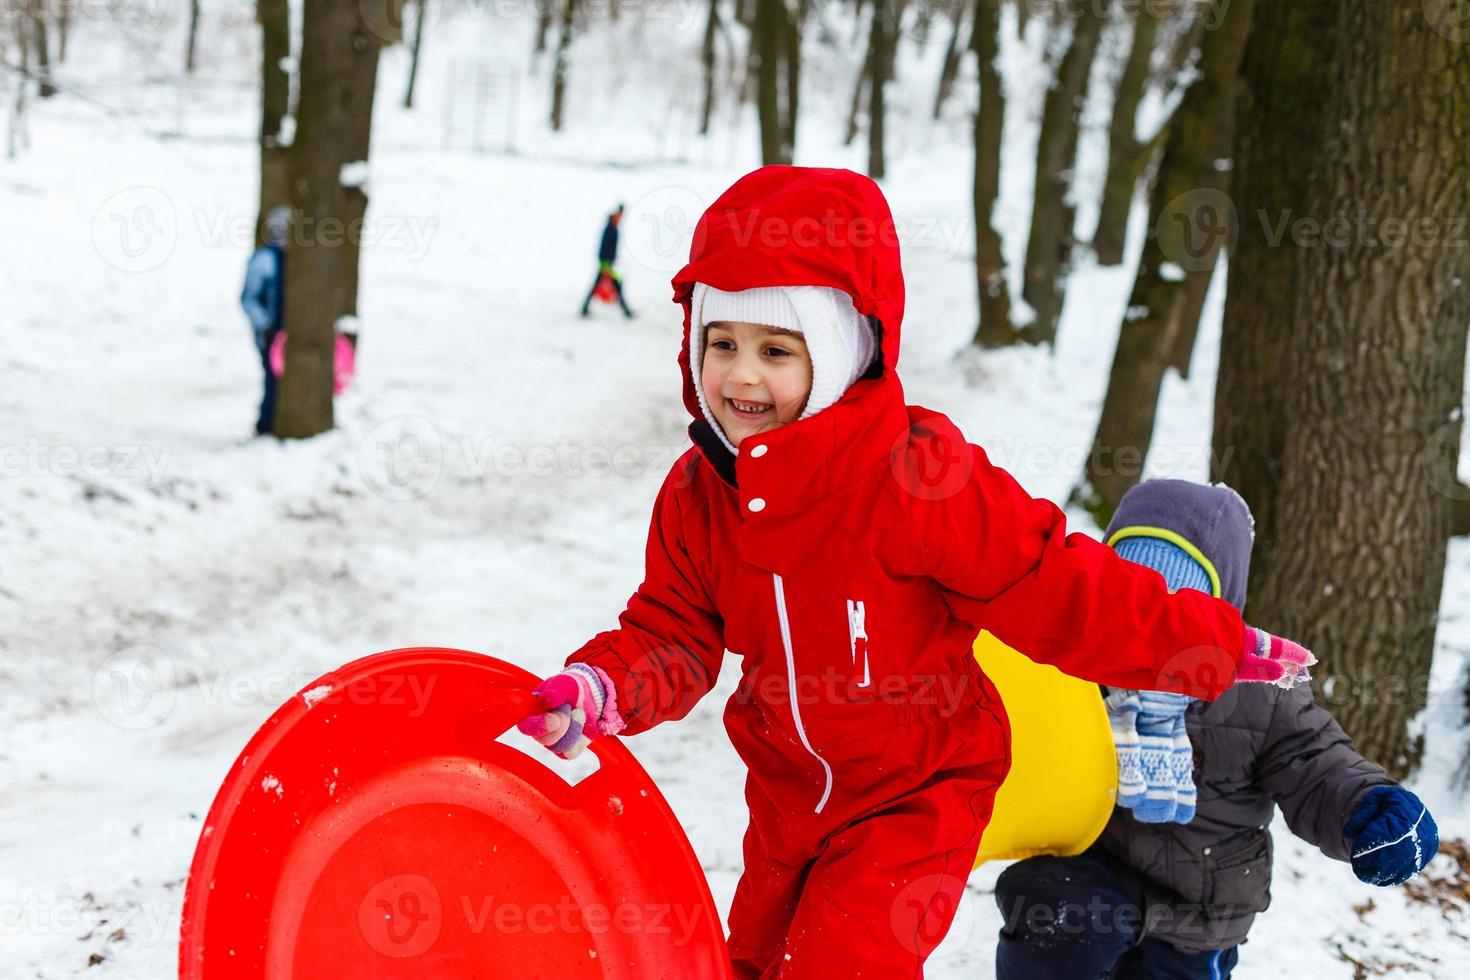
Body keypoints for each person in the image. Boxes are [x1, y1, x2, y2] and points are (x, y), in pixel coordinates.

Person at [516, 167, 1314, 978]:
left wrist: (1202, 641)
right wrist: (605, 685)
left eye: (776, 350)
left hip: (917, 794)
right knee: (751, 965)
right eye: (722, 343)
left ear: (838, 355)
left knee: (841, 965)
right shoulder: (700, 495)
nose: (741, 375)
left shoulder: (917, 480)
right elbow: (673, 630)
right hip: (791, 797)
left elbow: (1056, 583)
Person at [992, 479, 1440, 980]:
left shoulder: (1260, 694)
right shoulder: (1074, 667)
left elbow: (1315, 761)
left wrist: (1365, 807)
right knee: (1051, 917)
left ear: (1218, 613)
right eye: (1128, 601)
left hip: (1200, 907)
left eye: (1175, 608)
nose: (1147, 628)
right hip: (1095, 873)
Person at [240, 206, 289, 436]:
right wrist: (265, 325)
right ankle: (265, 426)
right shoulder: (264, 260)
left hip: (289, 332)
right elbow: (248, 298)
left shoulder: (295, 261)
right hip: (269, 333)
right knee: (272, 380)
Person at [580, 203, 635, 319]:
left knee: (612, 285)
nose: (621, 218)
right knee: (614, 285)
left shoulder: (613, 227)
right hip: (606, 264)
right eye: (619, 215)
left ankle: (584, 308)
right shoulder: (610, 229)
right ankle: (626, 311)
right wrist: (604, 264)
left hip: (609, 264)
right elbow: (603, 248)